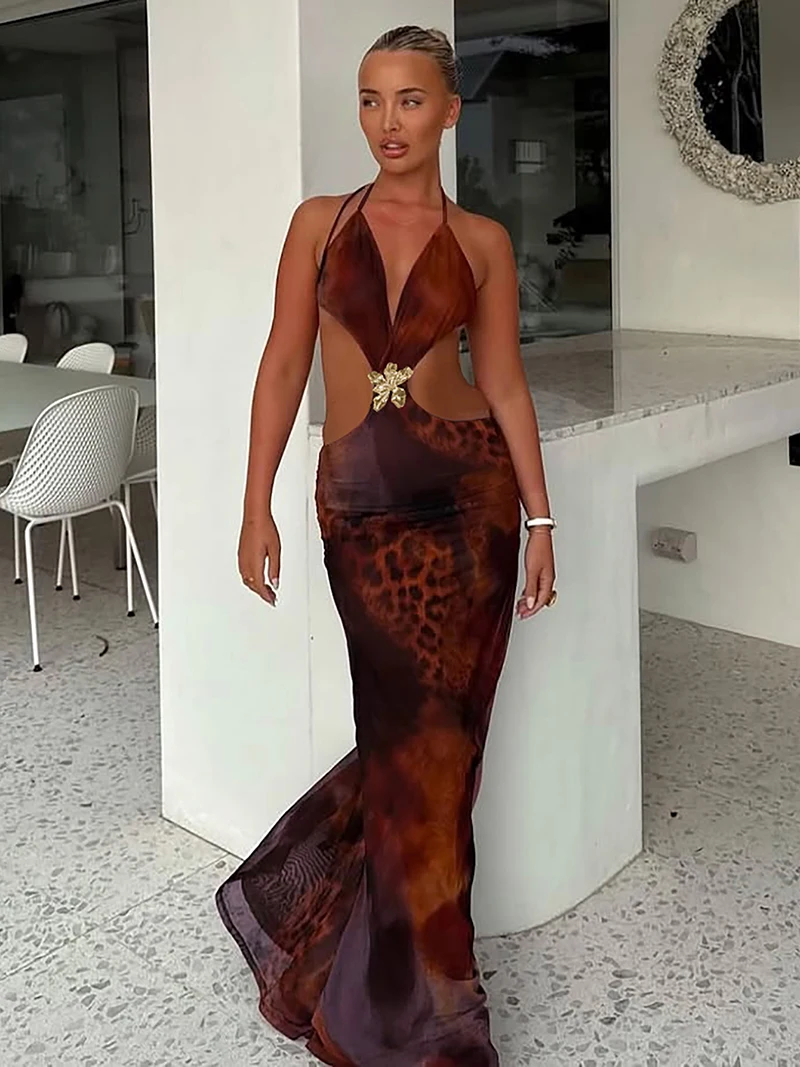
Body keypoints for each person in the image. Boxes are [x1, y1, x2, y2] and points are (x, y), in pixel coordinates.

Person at [216, 25, 556, 1067]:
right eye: (370, 99)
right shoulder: (319, 224)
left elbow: (504, 385)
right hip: (362, 508)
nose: (386, 121)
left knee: (446, 755)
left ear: (450, 111)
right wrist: (255, 503)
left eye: (409, 100)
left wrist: (540, 519)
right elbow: (283, 364)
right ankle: (395, 992)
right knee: (405, 741)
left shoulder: (483, 240)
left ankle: (433, 1005)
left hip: (471, 501)